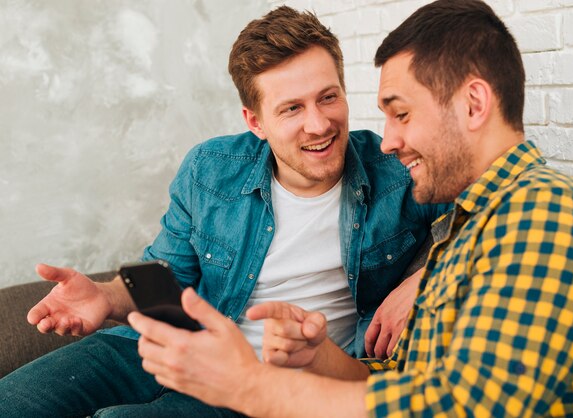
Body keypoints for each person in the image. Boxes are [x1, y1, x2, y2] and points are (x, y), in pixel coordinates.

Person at [124, 0, 573, 416]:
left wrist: (251, 388)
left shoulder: (548, 218)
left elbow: (462, 408)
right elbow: (409, 380)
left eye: (402, 114)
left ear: (474, 105)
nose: (386, 143)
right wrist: (320, 356)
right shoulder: (470, 227)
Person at [0, 6, 449, 417]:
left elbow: (502, 202)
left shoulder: (398, 170)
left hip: (261, 385)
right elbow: (166, 273)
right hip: (164, 343)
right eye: (291, 108)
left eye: (328, 97)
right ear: (255, 121)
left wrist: (425, 279)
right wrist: (107, 296)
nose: (318, 124)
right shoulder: (209, 170)